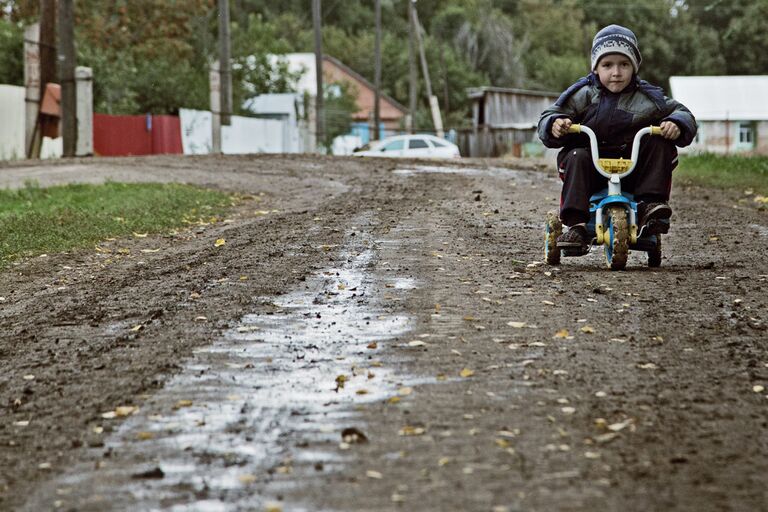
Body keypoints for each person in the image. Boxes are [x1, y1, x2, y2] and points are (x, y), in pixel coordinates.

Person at [538, 24, 697, 253]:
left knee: (658, 141)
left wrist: (677, 124)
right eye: (607, 65)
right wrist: (555, 124)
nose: (616, 72)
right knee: (576, 154)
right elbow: (551, 114)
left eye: (624, 64)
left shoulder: (648, 97)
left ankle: (650, 205)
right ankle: (577, 225)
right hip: (590, 169)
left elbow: (683, 113)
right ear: (595, 68)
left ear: (634, 67)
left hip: (633, 170)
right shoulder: (581, 94)